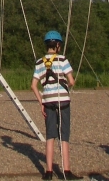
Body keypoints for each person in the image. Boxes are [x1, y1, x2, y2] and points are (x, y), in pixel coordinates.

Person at [31, 30, 82, 181]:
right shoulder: (62, 60)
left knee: (50, 136)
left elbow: (33, 85)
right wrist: (67, 85)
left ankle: (48, 172)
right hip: (63, 100)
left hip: (48, 101)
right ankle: (67, 171)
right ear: (58, 45)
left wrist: (41, 102)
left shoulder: (39, 62)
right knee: (64, 136)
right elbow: (71, 81)